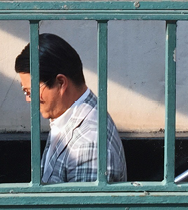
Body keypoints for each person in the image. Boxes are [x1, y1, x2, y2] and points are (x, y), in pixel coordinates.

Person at [14, 33, 127, 184]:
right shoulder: (69, 115)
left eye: (31, 91)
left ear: (61, 83)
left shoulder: (88, 144)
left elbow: (84, 207)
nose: (28, 99)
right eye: (25, 91)